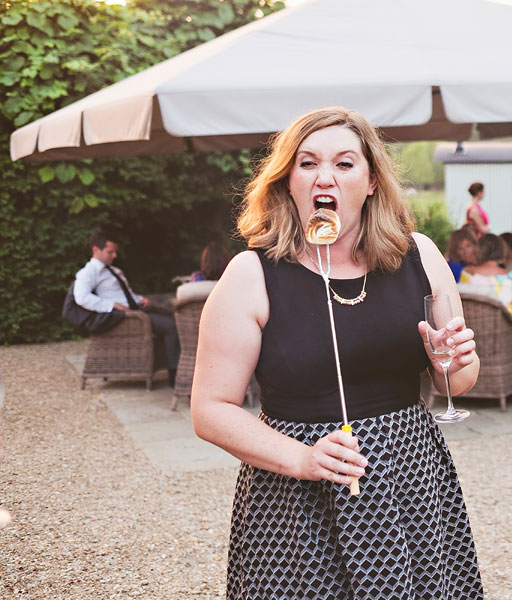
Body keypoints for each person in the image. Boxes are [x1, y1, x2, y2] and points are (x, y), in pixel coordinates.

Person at [190, 107, 484, 598]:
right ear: (288, 181)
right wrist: (304, 459)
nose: (325, 176)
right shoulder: (251, 274)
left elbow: (457, 381)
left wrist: (452, 362)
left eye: (345, 164)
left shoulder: (419, 257)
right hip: (297, 499)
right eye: (308, 164)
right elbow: (210, 410)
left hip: (410, 481)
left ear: (371, 181)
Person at [74, 230, 180, 385]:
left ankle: (173, 367)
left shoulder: (115, 271)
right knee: (171, 326)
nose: (115, 256)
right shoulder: (89, 273)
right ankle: (175, 375)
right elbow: (81, 297)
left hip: (137, 309)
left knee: (174, 317)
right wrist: (110, 305)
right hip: (127, 317)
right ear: (96, 250)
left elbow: (125, 294)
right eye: (110, 252)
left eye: (115, 252)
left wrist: (139, 299)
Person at [458, 233, 512, 313]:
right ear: (501, 250)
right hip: (504, 323)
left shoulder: (468, 273)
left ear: (478, 250)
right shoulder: (511, 277)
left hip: (473, 323)